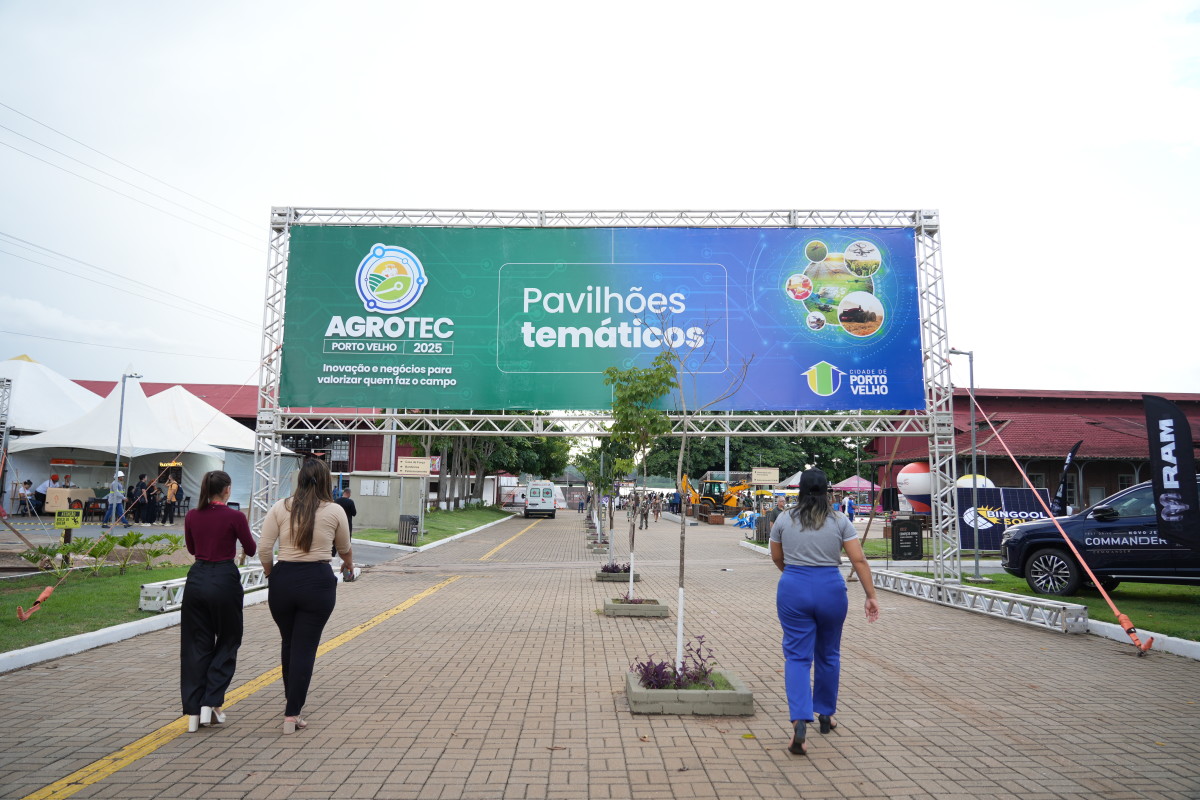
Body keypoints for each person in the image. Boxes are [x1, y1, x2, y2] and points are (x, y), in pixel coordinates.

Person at [770, 468, 880, 756]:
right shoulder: (840, 519)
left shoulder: (784, 518)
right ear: (827, 491)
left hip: (793, 586)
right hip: (830, 587)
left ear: (800, 491)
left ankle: (799, 721)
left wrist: (793, 574)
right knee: (829, 654)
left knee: (797, 656)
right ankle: (826, 713)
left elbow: (777, 557)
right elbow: (858, 559)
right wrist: (870, 596)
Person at [259, 458, 353, 735]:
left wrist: (271, 574)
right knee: (305, 647)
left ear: (299, 480)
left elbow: (264, 549)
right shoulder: (335, 510)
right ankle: (292, 713)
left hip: (283, 580)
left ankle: (292, 704)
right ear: (326, 482)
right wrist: (349, 564)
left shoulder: (280, 507)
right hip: (317, 581)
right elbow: (344, 547)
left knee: (289, 642)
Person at [181, 470, 257, 733]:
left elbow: (192, 549)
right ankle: (211, 701)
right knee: (228, 639)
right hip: (224, 578)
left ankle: (193, 711)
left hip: (197, 578)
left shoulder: (192, 515)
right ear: (227, 490)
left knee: (196, 645)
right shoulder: (235, 517)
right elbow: (251, 548)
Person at [332, 487, 357, 556]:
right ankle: (346, 557)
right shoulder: (350, 502)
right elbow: (354, 513)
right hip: (347, 524)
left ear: (344, 493)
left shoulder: (336, 501)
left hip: (336, 523)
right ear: (348, 493)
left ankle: (332, 556)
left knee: (334, 541)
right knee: (346, 542)